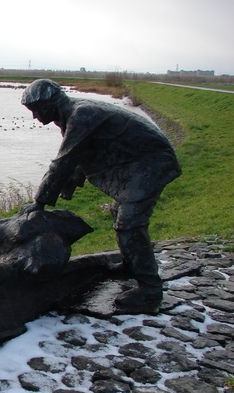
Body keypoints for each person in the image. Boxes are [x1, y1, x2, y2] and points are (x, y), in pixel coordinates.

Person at [19, 79, 181, 314]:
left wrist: (39, 201)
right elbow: (80, 156)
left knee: (130, 224)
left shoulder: (81, 115)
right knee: (119, 212)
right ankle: (130, 265)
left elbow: (63, 161)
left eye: (36, 110)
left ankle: (150, 291)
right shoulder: (72, 114)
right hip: (135, 162)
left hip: (151, 163)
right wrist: (69, 185)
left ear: (50, 103)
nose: (34, 117)